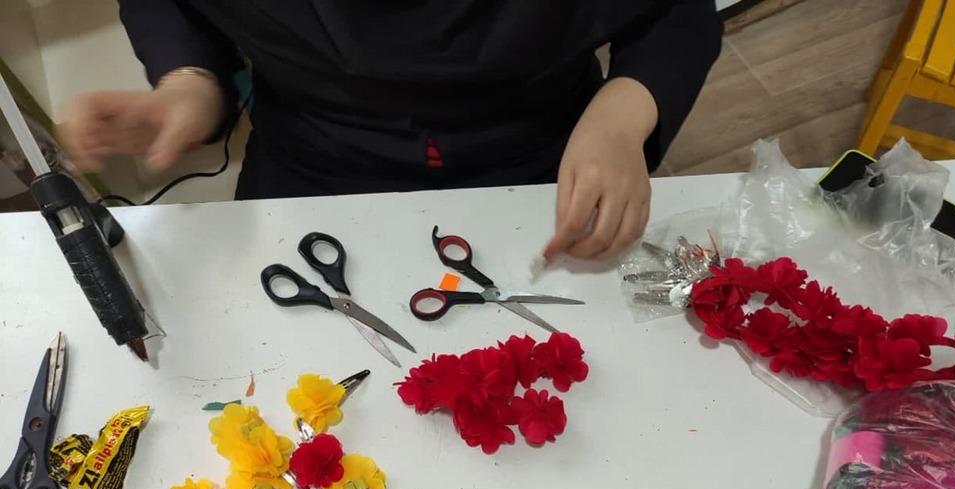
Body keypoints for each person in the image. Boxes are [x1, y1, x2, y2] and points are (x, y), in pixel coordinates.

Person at [59, 2, 722, 260]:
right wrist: (188, 87)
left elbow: (675, 13)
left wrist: (622, 115)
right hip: (316, 165)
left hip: (544, 152)